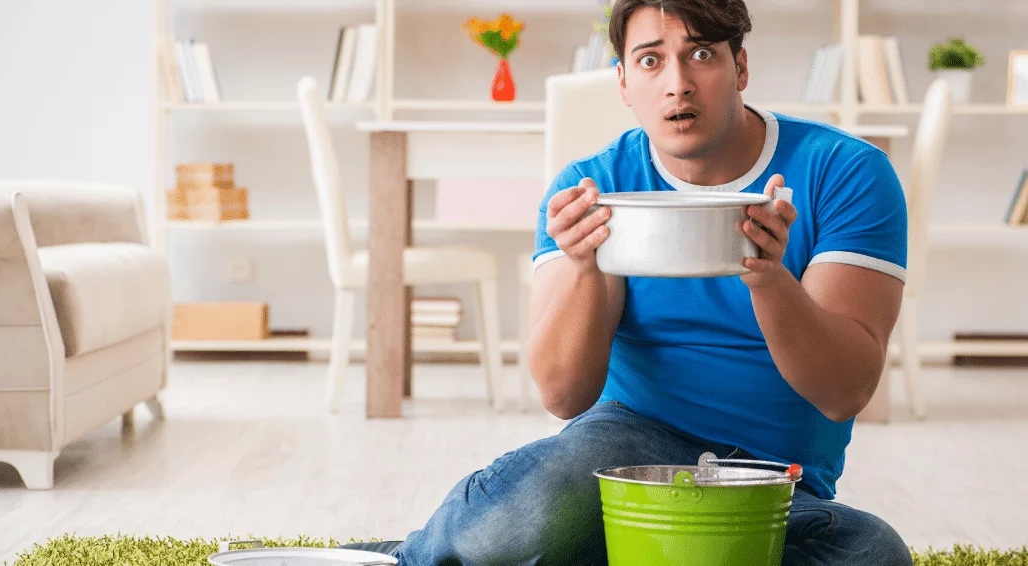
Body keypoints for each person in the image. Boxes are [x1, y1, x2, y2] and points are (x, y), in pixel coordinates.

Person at [345, 0, 914, 564]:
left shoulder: (846, 172)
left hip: (771, 485)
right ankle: (413, 558)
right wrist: (587, 266)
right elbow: (563, 395)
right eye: (650, 61)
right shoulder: (592, 189)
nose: (678, 84)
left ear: (740, 67)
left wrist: (767, 277)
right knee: (518, 524)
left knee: (873, 553)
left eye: (701, 54)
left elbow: (844, 393)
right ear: (622, 81)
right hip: (624, 456)